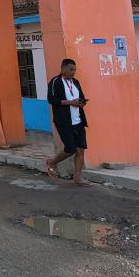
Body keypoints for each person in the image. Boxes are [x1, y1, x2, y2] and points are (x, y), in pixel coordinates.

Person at [46, 58, 90, 186]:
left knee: (81, 150)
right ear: (63, 68)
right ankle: (52, 162)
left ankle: (77, 179)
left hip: (79, 121)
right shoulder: (56, 82)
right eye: (71, 69)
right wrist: (71, 102)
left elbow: (80, 96)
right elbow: (52, 100)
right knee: (70, 149)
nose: (73, 72)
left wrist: (81, 103)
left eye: (75, 70)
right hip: (64, 122)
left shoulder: (75, 82)